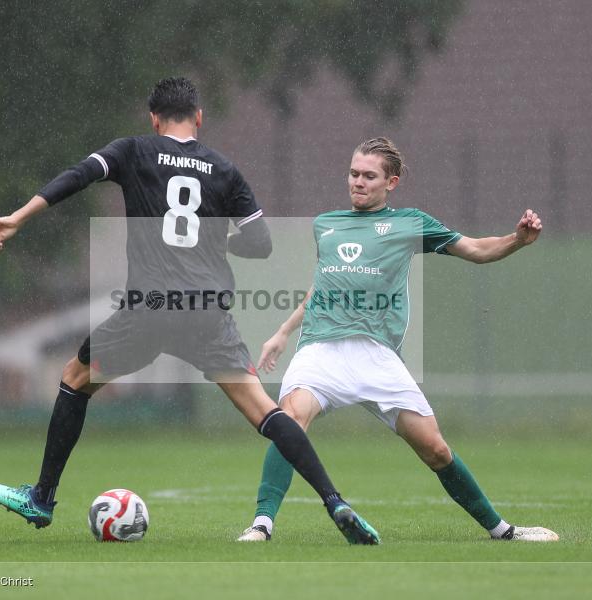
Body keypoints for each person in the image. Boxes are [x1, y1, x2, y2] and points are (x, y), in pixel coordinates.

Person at [0, 77, 378, 544]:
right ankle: (336, 502)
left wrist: (19, 217)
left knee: (75, 379)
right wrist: (218, 240)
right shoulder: (224, 170)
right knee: (267, 413)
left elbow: (77, 176)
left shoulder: (134, 150)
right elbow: (260, 243)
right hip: (207, 314)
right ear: (199, 117)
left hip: (149, 310)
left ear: (153, 118)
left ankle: (42, 498)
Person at [236, 137, 558, 543]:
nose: (358, 182)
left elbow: (476, 249)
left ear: (392, 182)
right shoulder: (326, 224)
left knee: (436, 450)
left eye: (369, 176)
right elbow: (323, 287)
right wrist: (284, 331)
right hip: (321, 349)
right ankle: (261, 526)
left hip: (377, 356)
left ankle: (502, 531)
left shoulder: (410, 223)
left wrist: (516, 241)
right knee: (289, 420)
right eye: (354, 173)